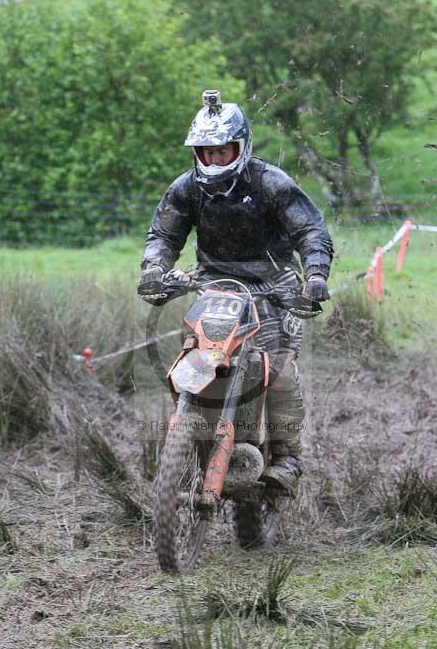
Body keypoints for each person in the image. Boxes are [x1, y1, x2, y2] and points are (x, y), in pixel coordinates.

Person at [137, 90, 333, 496]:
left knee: (276, 368)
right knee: (194, 358)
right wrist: (155, 270)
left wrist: (314, 275)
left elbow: (310, 230)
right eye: (204, 153)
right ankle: (191, 442)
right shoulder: (187, 188)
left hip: (275, 286)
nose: (212, 160)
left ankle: (288, 457)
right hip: (213, 285)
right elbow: (163, 234)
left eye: (221, 151)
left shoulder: (271, 182)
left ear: (240, 147)